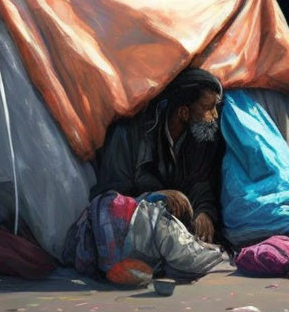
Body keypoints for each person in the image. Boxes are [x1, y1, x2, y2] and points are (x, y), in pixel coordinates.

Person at [90, 68, 223, 242]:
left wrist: (204, 212)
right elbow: (107, 203)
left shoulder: (198, 139)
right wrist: (156, 198)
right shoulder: (127, 134)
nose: (215, 116)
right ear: (184, 112)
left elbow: (201, 183)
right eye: (208, 108)